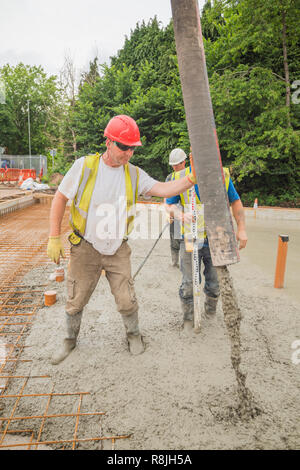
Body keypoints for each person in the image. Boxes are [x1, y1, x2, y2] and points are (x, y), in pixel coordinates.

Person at [47, 115, 196, 364]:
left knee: (126, 298)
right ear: (108, 142)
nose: (128, 153)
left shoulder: (134, 175)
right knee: (76, 297)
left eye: (132, 148)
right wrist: (53, 236)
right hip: (85, 247)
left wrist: (190, 180)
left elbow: (163, 189)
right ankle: (69, 339)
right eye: (123, 146)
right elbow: (60, 198)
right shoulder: (84, 167)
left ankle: (134, 334)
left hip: (117, 248)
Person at [165, 150, 248, 333]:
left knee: (215, 283)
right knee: (188, 283)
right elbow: (169, 204)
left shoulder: (222, 176)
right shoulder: (180, 177)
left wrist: (241, 228)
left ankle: (210, 312)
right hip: (190, 238)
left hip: (217, 239)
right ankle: (188, 318)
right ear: (192, 159)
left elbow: (235, 201)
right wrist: (178, 214)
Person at [164, 149, 187, 267]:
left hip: (188, 215)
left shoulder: (190, 177)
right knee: (174, 239)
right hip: (174, 213)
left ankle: (187, 262)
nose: (174, 168)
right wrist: (169, 214)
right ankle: (174, 262)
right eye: (172, 165)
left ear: (184, 162)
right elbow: (166, 197)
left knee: (187, 240)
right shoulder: (170, 177)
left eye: (176, 165)